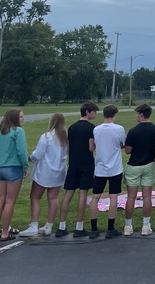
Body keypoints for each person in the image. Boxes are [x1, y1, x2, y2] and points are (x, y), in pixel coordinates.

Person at [19, 113, 68, 237]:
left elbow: (38, 154)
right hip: (59, 171)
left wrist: (30, 157)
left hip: (44, 171)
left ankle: (34, 225)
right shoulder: (65, 138)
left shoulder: (46, 136)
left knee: (35, 197)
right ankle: (49, 225)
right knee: (53, 198)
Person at [57, 101, 99, 237]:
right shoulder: (91, 128)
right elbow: (91, 147)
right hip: (86, 162)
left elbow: (68, 147)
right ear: (87, 112)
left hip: (73, 162)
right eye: (94, 112)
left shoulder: (72, 127)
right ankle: (79, 226)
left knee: (68, 193)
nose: (95, 114)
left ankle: (61, 225)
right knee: (83, 194)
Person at [0, 108, 28, 242]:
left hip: (0, 168)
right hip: (13, 167)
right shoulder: (18, 131)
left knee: (0, 200)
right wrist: (25, 166)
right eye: (21, 116)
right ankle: (5, 232)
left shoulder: (1, 133)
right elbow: (22, 151)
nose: (23, 119)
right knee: (10, 201)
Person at [88, 104, 126, 239]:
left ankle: (93, 228)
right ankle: (110, 228)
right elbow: (123, 144)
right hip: (115, 167)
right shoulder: (119, 129)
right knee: (113, 196)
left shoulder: (96, 129)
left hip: (100, 167)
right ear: (114, 115)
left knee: (95, 196)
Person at [123, 104, 155, 237]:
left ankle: (128, 226)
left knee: (131, 197)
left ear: (141, 114)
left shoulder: (133, 131)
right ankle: (146, 225)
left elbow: (128, 151)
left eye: (137, 113)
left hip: (134, 165)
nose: (135, 116)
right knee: (147, 196)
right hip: (148, 164)